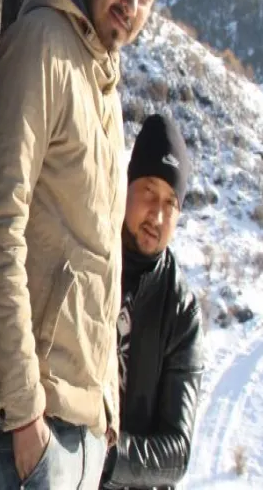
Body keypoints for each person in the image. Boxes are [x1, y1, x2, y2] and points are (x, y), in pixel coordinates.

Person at [0, 0, 182, 490]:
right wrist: (25, 416)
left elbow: (96, 256)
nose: (133, 3)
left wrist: (109, 408)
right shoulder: (42, 47)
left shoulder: (102, 76)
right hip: (35, 434)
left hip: (82, 431)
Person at [100, 114, 204, 490]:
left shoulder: (181, 310)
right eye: (148, 191)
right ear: (127, 185)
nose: (157, 215)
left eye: (170, 202)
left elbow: (176, 452)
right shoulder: (90, 263)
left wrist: (103, 455)